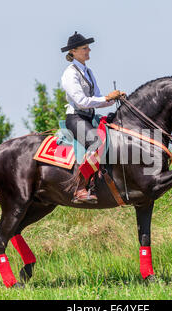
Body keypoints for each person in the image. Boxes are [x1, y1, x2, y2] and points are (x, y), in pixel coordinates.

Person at [61, 31, 124, 204]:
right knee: (97, 143)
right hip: (75, 118)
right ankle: (80, 187)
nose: (89, 51)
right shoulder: (69, 73)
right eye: (85, 48)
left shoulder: (88, 72)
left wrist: (113, 99)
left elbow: (97, 99)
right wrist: (107, 98)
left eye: (88, 47)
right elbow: (81, 102)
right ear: (73, 51)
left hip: (89, 117)